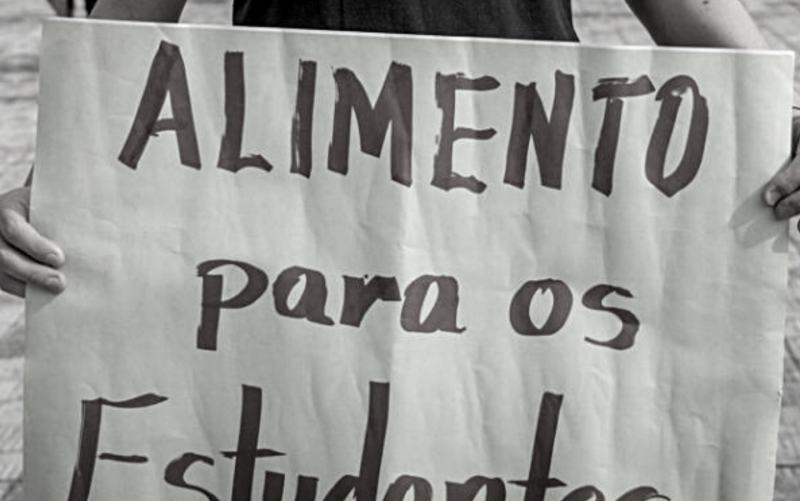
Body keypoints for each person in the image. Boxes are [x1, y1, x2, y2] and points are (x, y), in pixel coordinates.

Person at [0, 0, 798, 297]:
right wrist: (48, 193)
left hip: (521, 266)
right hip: (305, 279)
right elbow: (119, 38)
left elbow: (700, 26)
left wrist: (786, 121)